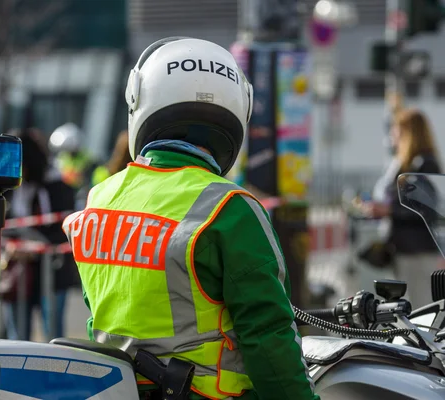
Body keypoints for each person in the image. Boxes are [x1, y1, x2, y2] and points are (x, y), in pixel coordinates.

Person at [63, 37, 318, 400]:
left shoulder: (99, 198)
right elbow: (268, 337)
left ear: (139, 101)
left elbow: (102, 309)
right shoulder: (229, 207)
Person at [0, 128, 79, 340]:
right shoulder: (9, 188)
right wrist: (9, 246)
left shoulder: (58, 187)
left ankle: (54, 375)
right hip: (17, 275)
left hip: (52, 273)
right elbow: (1, 225)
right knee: (17, 341)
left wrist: (33, 250)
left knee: (53, 339)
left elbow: (66, 230)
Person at [358, 108, 441, 307]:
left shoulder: (424, 164)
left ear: (408, 132)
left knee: (421, 308)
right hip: (404, 249)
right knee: (406, 307)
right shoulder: (404, 163)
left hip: (417, 250)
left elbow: (428, 208)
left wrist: (389, 211)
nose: (392, 135)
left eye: (396, 129)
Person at [48, 122, 96, 209]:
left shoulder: (87, 159)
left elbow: (81, 178)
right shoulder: (61, 158)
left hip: (81, 196)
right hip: (65, 196)